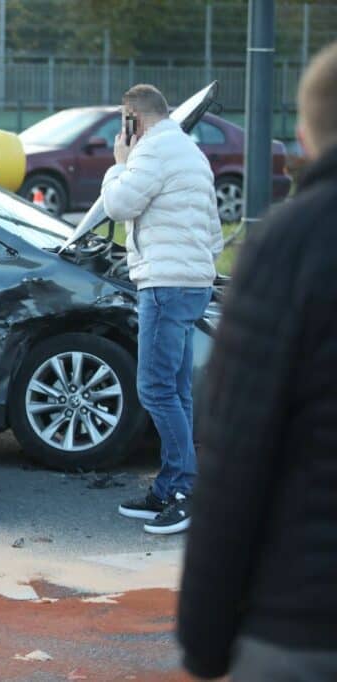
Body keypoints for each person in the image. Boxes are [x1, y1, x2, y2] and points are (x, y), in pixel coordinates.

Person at [178, 41, 337, 680]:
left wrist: (204, 641)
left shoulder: (289, 245)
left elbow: (236, 455)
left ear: (303, 133)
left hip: (303, 623)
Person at [102, 84, 223, 534]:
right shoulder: (191, 152)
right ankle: (169, 485)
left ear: (133, 118)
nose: (122, 129)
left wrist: (119, 164)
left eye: (123, 120)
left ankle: (186, 490)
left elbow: (118, 204)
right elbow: (213, 230)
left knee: (154, 388)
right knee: (176, 388)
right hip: (192, 282)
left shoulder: (151, 152)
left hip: (165, 285)